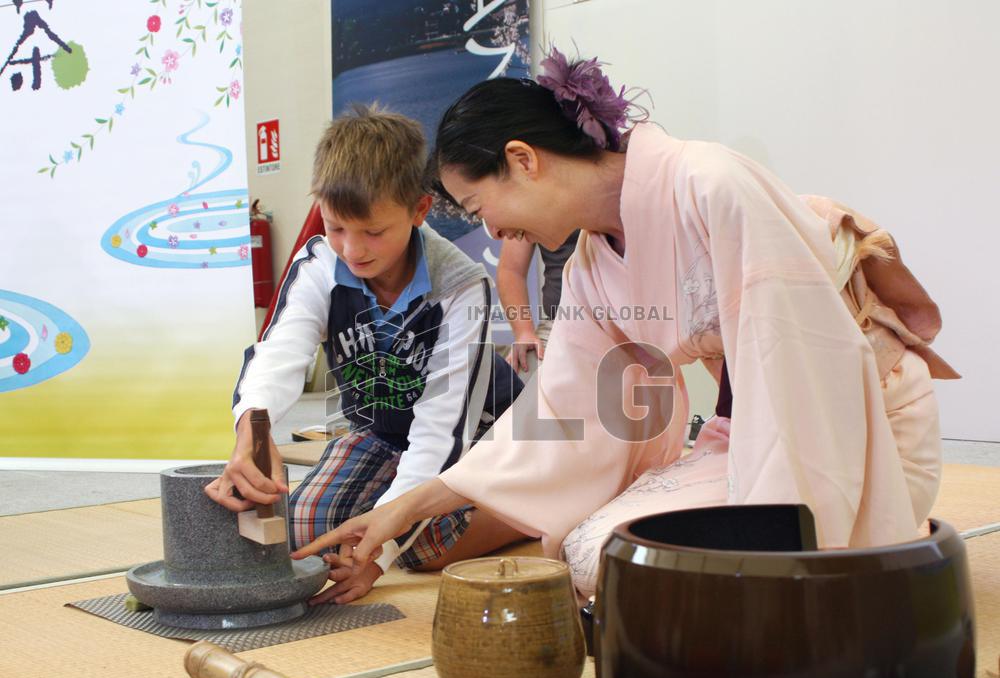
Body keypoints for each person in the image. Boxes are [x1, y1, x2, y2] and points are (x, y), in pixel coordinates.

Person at [291, 50, 958, 598]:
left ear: (523, 160)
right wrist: (400, 512)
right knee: (594, 554)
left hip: (850, 428)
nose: (492, 231)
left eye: (480, 206)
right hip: (750, 432)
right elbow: (568, 413)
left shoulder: (709, 184)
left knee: (681, 575)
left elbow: (803, 373)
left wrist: (777, 546)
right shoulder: (590, 262)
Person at [206, 105, 525, 603]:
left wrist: (383, 550)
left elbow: (443, 430)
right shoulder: (319, 264)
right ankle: (405, 513)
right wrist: (254, 433)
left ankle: (520, 509)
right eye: (336, 228)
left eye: (373, 232)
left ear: (419, 210)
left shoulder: (463, 286)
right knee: (310, 527)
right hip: (381, 431)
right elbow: (278, 353)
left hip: (480, 436)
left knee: (419, 547)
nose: (352, 249)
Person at [497, 231, 577, 376]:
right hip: (558, 323)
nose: (494, 232)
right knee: (523, 385)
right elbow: (511, 269)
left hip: (621, 321)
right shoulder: (525, 211)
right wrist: (524, 332)